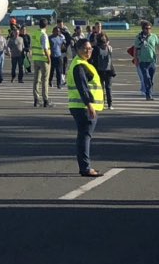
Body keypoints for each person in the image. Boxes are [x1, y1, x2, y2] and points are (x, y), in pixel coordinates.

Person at [67, 37, 104, 177]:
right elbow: (82, 87)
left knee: (84, 136)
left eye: (90, 48)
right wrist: (89, 104)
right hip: (82, 107)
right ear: (77, 50)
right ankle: (86, 168)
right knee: (85, 137)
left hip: (81, 106)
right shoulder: (79, 65)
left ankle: (85, 166)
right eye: (85, 49)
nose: (88, 51)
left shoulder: (83, 63)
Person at [135, 20, 159, 100]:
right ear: (143, 29)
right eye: (146, 28)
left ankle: (149, 91)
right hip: (143, 61)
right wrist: (136, 58)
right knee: (147, 78)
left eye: (150, 28)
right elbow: (135, 49)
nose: (148, 30)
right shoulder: (139, 37)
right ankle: (148, 95)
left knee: (151, 78)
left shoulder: (154, 36)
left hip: (152, 61)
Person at [30, 19, 51, 107]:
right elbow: (45, 47)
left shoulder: (35, 33)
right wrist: (49, 58)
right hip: (43, 58)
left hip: (36, 58)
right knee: (45, 80)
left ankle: (36, 99)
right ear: (46, 26)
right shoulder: (43, 35)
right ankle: (45, 100)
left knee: (36, 80)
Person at [90, 33, 115, 109]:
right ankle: (109, 104)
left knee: (103, 88)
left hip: (102, 70)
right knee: (107, 88)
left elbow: (92, 60)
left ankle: (104, 103)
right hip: (106, 70)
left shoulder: (96, 49)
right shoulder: (108, 48)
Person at [49, 25, 66, 89]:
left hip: (59, 56)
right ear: (53, 31)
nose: (58, 32)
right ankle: (50, 81)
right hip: (52, 56)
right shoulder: (49, 38)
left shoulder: (60, 38)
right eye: (56, 31)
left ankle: (58, 84)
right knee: (51, 70)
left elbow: (63, 45)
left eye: (59, 31)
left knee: (59, 71)